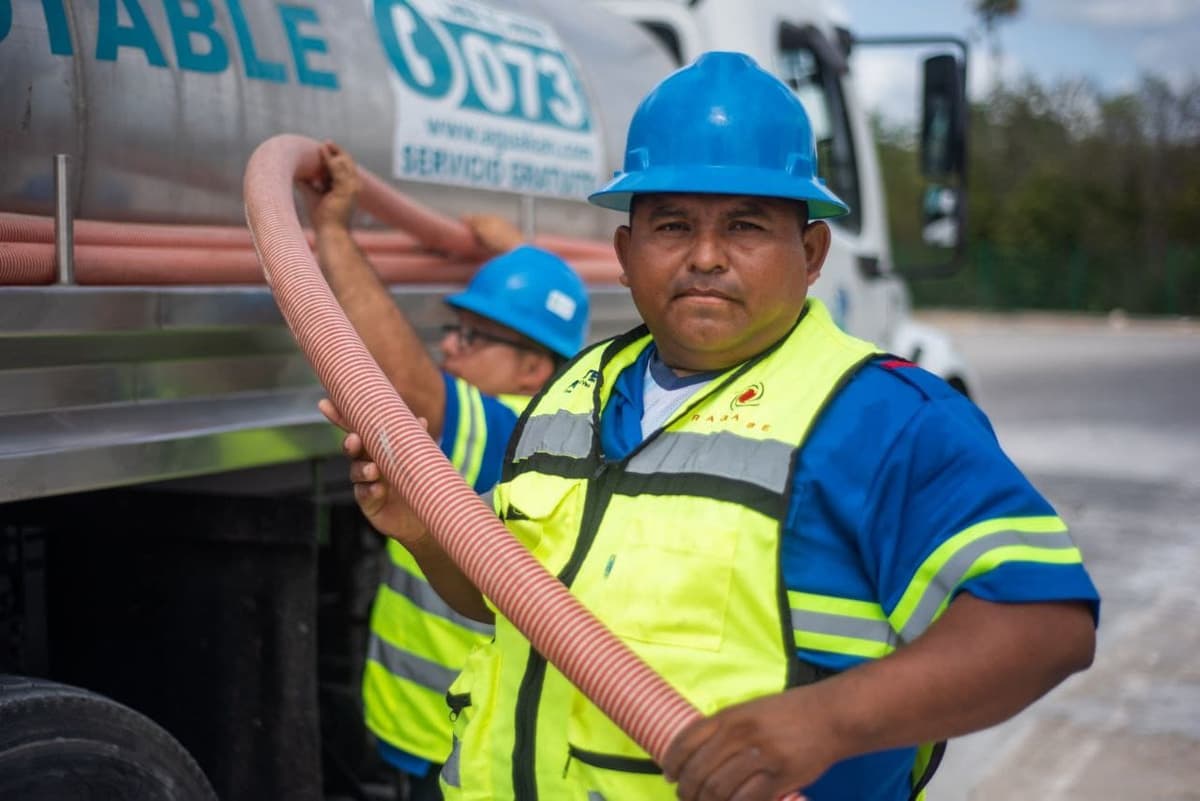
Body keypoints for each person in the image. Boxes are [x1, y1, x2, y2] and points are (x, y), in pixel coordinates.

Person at [326, 52, 1099, 801]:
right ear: (626, 252)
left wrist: (825, 722)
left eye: (745, 226)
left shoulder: (881, 417)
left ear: (812, 251)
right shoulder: (572, 393)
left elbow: (1044, 623)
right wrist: (423, 533)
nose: (704, 256)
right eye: (671, 225)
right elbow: (518, 602)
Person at [303, 141, 590, 800]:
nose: (450, 347)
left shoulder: (510, 431)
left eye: (473, 336)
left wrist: (333, 231)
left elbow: (406, 388)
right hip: (428, 727)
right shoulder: (552, 415)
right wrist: (513, 253)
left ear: (533, 368)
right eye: (454, 329)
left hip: (455, 744)